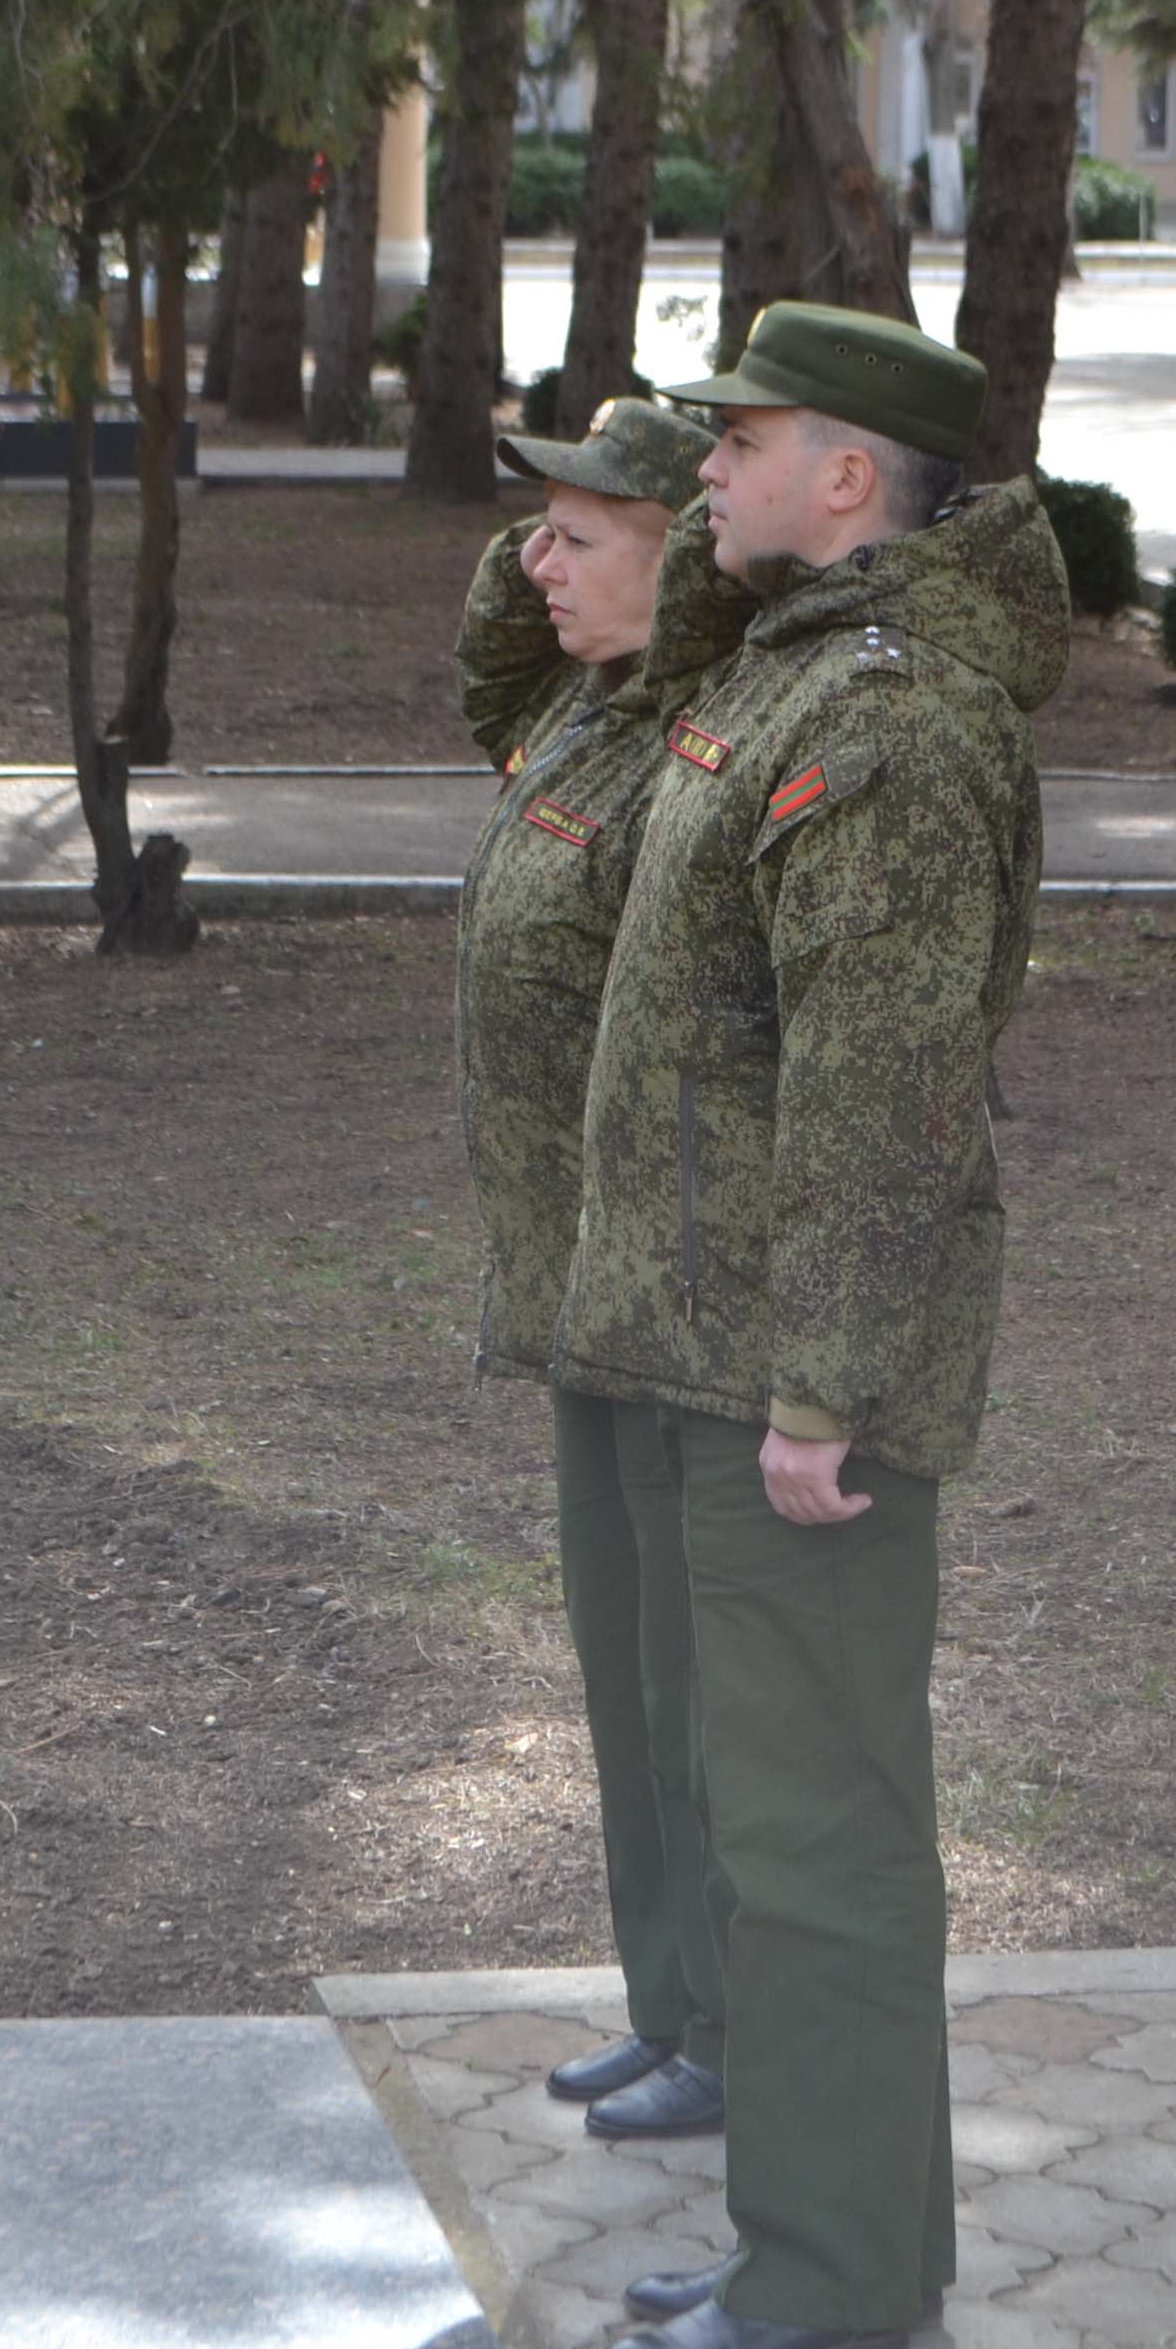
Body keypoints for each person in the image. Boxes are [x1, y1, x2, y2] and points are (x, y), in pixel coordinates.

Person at [556, 303, 1070, 2349]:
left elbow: (880, 1090)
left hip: (788, 1372)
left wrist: (827, 1388)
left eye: (739, 440)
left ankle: (832, 2269)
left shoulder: (890, 722)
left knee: (818, 1835)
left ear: (845, 476)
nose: (700, 470)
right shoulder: (785, 668)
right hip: (701, 1339)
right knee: (765, 1820)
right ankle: (826, 2236)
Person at [454, 397, 742, 2143]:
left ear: (680, 558)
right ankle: (665, 2002)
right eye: (533, 536)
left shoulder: (696, 739)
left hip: (672, 1287)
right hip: (580, 1280)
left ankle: (724, 2018)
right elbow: (494, 652)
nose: (532, 569)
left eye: (574, 539)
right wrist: (564, 516)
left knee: (691, 1680)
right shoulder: (583, 711)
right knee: (622, 1671)